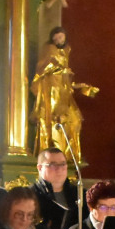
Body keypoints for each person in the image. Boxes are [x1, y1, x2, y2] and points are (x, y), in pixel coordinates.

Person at [30, 28, 98, 164]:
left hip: (64, 95)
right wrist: (62, 70)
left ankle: (69, 155)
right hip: (52, 95)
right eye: (56, 38)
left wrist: (80, 86)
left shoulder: (66, 50)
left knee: (75, 121)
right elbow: (44, 69)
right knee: (55, 121)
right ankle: (55, 155)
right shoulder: (49, 50)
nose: (58, 40)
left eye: (61, 37)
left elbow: (65, 84)